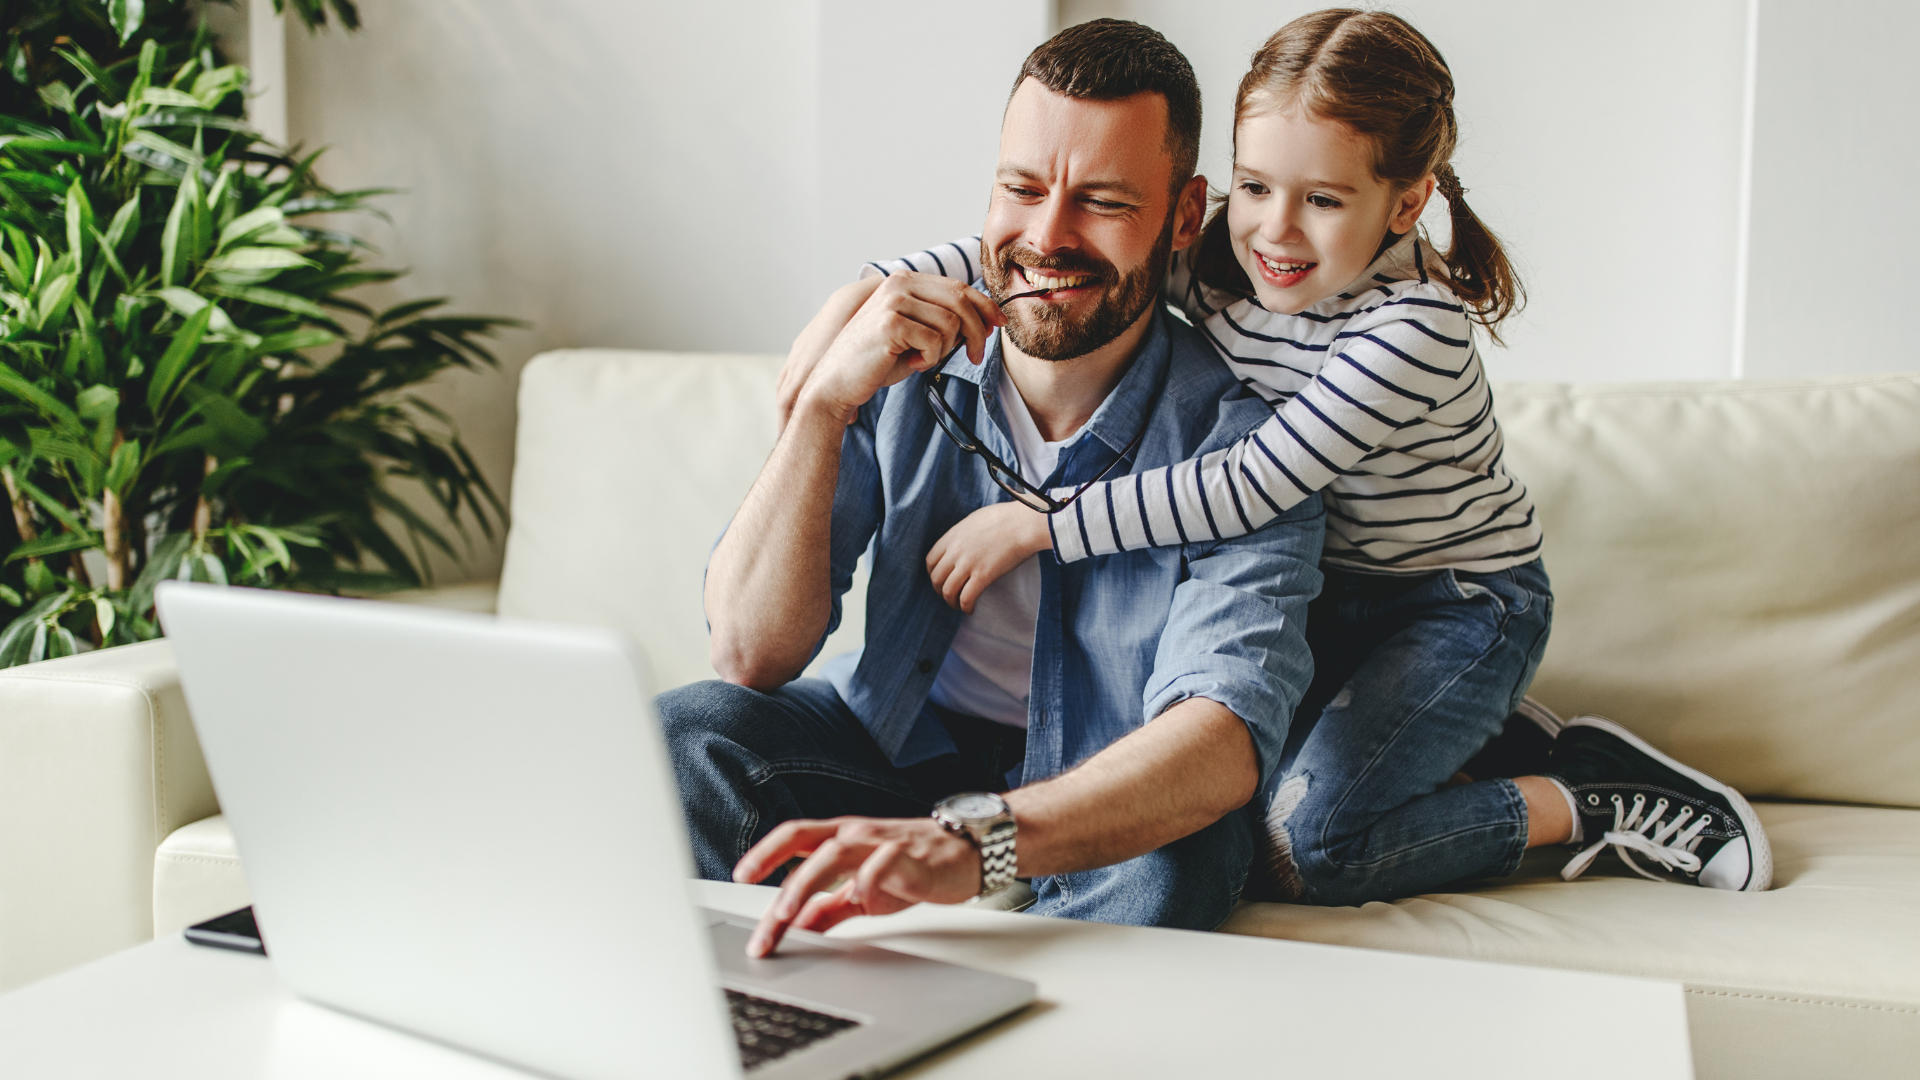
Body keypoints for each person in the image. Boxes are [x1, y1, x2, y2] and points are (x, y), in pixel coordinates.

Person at [802, 10, 1772, 900]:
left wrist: (1044, 525)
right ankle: (1460, 738)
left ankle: (1582, 794)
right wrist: (858, 316)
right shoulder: (1224, 256)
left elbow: (1252, 482)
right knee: (1206, 791)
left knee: (1304, 846)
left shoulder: (1413, 328)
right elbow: (1048, 256)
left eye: (1322, 200)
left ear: (1405, 203)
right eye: (1255, 187)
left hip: (1451, 605)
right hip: (1329, 595)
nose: (1275, 229)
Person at [667, 19, 1329, 958]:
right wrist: (820, 409)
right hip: (901, 748)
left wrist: (981, 841)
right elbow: (750, 653)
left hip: (1103, 791)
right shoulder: (900, 362)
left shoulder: (1254, 446)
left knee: (1184, 851)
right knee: (693, 731)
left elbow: (1218, 738)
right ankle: (777, 1011)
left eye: (1101, 202)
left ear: (1185, 218)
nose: (1047, 237)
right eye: (1022, 189)